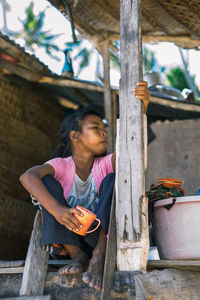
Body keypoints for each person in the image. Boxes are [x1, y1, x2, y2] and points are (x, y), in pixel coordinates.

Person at [19, 81, 150, 291]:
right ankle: (76, 256)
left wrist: (140, 110)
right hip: (68, 240)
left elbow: (129, 154)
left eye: (104, 127)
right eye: (95, 128)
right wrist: (58, 210)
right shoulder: (61, 166)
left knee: (115, 178)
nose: (103, 132)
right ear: (75, 136)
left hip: (98, 240)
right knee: (45, 182)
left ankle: (99, 256)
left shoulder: (104, 165)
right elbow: (28, 177)